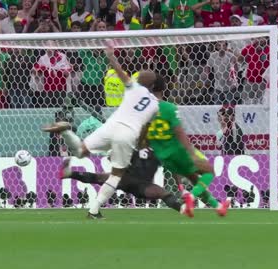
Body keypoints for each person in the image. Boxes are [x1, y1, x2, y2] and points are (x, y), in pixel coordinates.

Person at [42, 41, 164, 219]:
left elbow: (119, 71)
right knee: (116, 175)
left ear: (139, 80)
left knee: (81, 151)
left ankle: (66, 130)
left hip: (111, 125)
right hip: (127, 133)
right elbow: (144, 129)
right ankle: (94, 210)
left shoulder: (133, 87)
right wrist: (137, 146)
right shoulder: (156, 105)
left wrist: (110, 55)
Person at [145, 89, 231, 217]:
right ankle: (191, 196)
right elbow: (179, 132)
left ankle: (218, 207)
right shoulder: (168, 108)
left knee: (195, 179)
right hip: (180, 149)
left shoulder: (144, 111)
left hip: (162, 154)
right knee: (209, 171)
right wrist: (191, 151)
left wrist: (181, 188)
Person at [60, 147, 189, 214]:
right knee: (162, 193)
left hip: (137, 183)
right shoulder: (142, 143)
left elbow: (174, 167)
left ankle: (183, 208)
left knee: (163, 193)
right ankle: (183, 209)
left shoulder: (158, 148)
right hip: (131, 180)